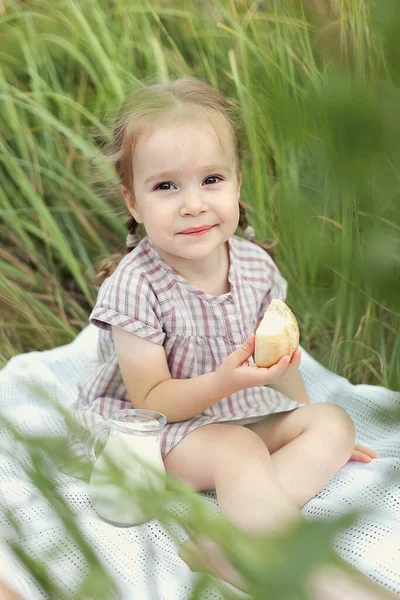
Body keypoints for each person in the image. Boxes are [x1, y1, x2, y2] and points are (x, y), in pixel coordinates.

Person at [75, 76, 392, 598]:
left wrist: (304, 426)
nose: (194, 204)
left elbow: (282, 359)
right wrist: (225, 381)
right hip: (151, 434)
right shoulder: (135, 286)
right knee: (240, 449)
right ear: (133, 202)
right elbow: (152, 400)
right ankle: (320, 578)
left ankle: (223, 546)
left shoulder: (254, 266)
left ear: (238, 184)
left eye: (212, 180)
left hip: (228, 414)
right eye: (166, 186)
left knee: (332, 422)